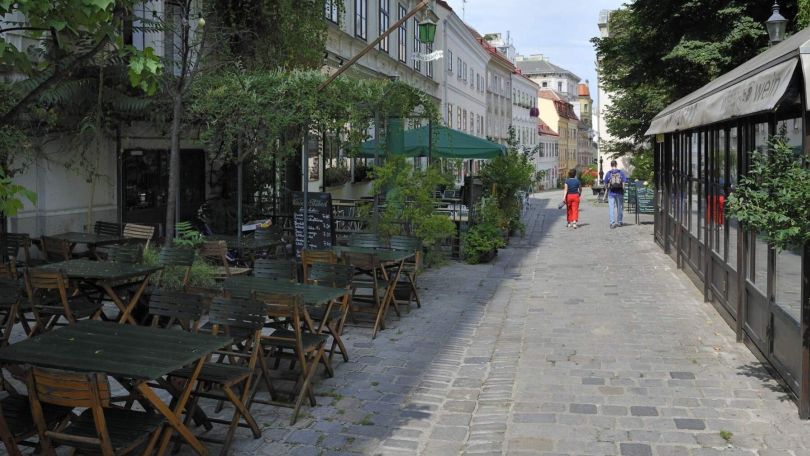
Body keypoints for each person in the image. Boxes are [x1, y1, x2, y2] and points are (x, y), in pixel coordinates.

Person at [604, 159, 628, 229]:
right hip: (619, 192)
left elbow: (605, 183)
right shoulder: (621, 173)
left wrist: (607, 188)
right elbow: (624, 183)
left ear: (611, 165)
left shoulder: (609, 173)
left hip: (611, 193)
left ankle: (612, 223)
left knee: (611, 208)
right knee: (620, 208)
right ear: (616, 165)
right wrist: (623, 189)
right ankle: (619, 222)